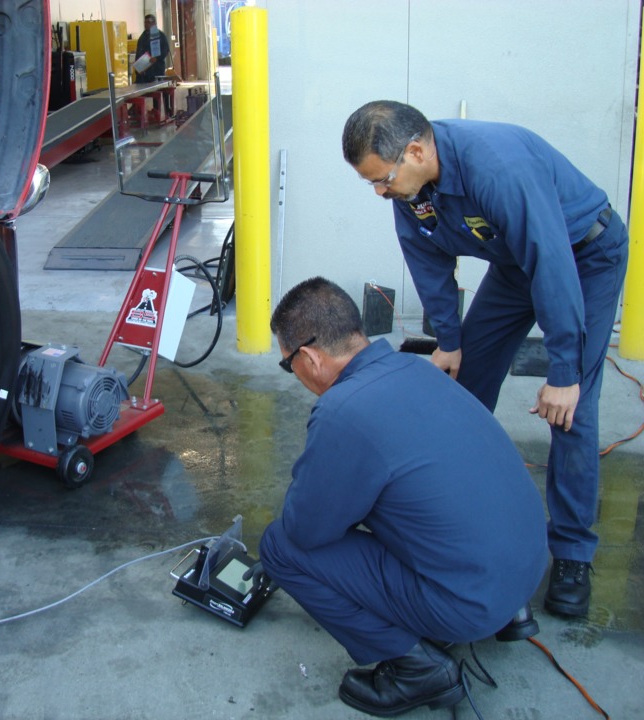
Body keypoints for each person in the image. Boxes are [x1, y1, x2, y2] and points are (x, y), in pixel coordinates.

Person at [341, 101, 629, 619]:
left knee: (572, 410)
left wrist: (563, 371)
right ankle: (450, 517)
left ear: (416, 150)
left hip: (585, 255)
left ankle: (571, 552)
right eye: (372, 185)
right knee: (463, 384)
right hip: (516, 264)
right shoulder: (409, 190)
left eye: (382, 179)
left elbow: (553, 261)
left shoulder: (497, 168)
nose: (381, 192)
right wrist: (449, 342)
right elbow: (428, 263)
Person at [257, 277, 547, 717]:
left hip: (470, 603)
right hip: (525, 567)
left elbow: (307, 529)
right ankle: (513, 612)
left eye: (287, 365)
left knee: (280, 546)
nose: (293, 374)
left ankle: (417, 668)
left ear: (309, 357)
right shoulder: (416, 368)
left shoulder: (343, 410)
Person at [134, 14, 170, 84]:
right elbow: (139, 51)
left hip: (156, 70)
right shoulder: (143, 37)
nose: (146, 24)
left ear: (154, 23)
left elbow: (165, 50)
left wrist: (157, 58)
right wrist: (138, 68)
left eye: (148, 22)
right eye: (145, 22)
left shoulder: (160, 35)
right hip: (143, 72)